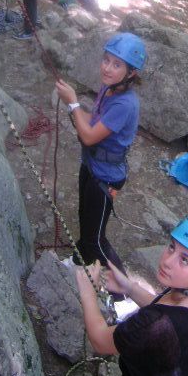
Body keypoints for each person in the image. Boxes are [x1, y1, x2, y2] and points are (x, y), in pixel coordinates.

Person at [76, 212, 188, 376]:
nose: (167, 261)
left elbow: (100, 341)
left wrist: (88, 293)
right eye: (172, 247)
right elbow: (169, 309)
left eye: (184, 260)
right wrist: (130, 288)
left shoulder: (156, 324)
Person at [56, 33, 146, 278]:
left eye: (117, 65)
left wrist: (74, 103)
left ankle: (123, 294)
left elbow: (88, 136)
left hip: (106, 178)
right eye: (106, 60)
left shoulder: (124, 104)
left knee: (96, 237)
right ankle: (79, 262)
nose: (107, 68)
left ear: (131, 73)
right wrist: (73, 109)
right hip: (92, 165)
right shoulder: (109, 89)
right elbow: (92, 123)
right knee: (85, 220)